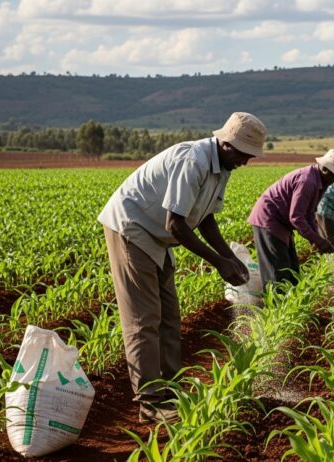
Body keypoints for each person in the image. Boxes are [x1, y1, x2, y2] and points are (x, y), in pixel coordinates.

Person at [98, 112, 265, 423]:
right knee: (143, 320)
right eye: (244, 154)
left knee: (170, 316)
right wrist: (218, 262)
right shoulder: (195, 159)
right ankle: (149, 403)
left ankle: (171, 390)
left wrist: (231, 257)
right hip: (132, 228)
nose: (246, 161)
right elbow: (175, 223)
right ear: (227, 145)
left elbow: (206, 218)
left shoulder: (222, 166)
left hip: (156, 238)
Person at [248, 149, 334, 289]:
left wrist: (316, 239)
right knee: (278, 272)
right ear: (325, 169)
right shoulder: (307, 181)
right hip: (269, 219)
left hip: (281, 222)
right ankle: (276, 308)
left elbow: (309, 214)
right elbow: (296, 217)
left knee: (292, 271)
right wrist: (319, 241)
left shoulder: (321, 181)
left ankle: (289, 305)